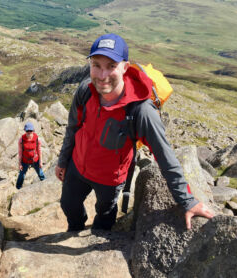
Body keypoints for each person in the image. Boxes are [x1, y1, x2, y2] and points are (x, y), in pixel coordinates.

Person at [55, 33, 214, 231]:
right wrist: (63, 161)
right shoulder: (85, 90)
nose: (102, 75)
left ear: (125, 67)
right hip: (77, 167)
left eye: (111, 66)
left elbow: (165, 157)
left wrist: (187, 200)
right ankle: (75, 229)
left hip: (110, 179)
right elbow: (73, 127)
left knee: (105, 216)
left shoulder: (140, 111)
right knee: (68, 205)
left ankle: (97, 235)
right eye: (96, 65)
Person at [16, 122, 45, 189]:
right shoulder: (21, 140)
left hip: (35, 159)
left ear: (33, 131)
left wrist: (40, 161)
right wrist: (20, 164)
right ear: (25, 131)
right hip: (25, 160)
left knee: (40, 173)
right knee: (21, 175)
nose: (29, 132)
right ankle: (18, 187)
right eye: (27, 131)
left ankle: (44, 183)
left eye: (30, 131)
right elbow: (20, 152)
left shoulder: (37, 139)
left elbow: (39, 151)